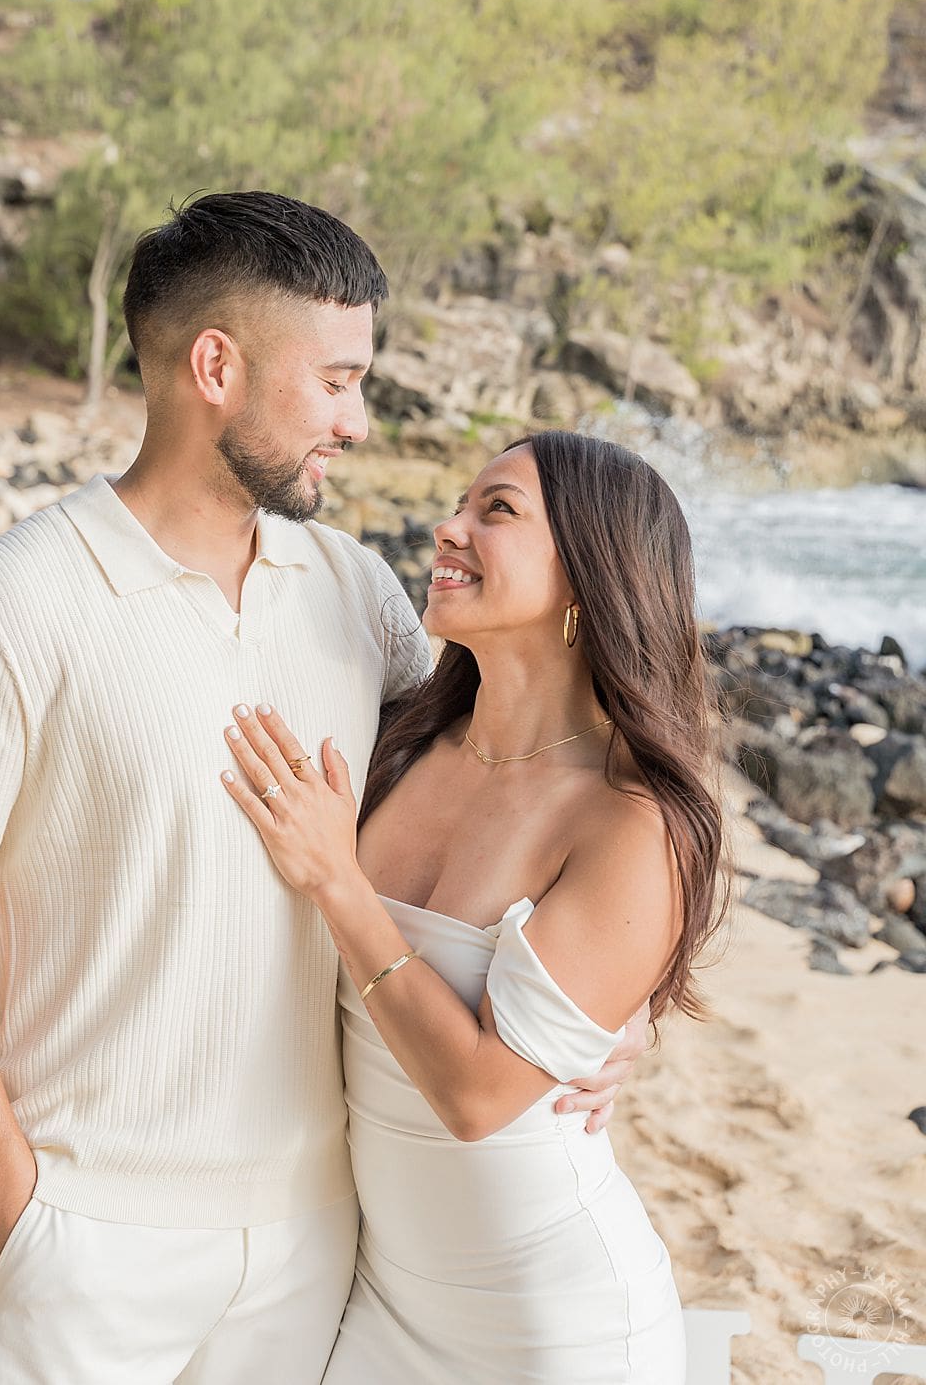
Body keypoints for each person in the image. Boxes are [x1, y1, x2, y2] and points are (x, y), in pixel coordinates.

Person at [0, 192, 645, 1385]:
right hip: (85, 1228)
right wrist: (10, 1189)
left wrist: (606, 1008)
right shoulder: (6, 608)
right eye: (335, 380)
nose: (359, 420)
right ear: (215, 365)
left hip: (313, 1238)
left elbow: (496, 797)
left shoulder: (357, 594)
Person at [221, 428, 728, 1383]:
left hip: (552, 1325)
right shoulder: (402, 741)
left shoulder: (629, 820)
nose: (448, 529)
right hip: (380, 1291)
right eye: (460, 503)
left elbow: (481, 1096)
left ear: (591, 574)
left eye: (496, 510)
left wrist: (339, 879)